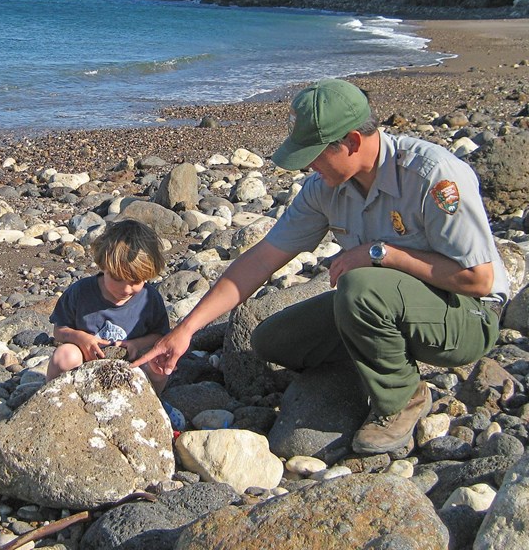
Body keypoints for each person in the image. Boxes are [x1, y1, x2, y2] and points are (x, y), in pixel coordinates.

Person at [133, 78, 509, 454]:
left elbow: (478, 279)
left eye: (314, 153)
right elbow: (263, 258)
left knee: (361, 286)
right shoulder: (325, 188)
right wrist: (185, 330)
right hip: (386, 303)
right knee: (273, 341)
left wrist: (381, 254)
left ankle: (403, 398)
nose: (308, 165)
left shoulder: (433, 176)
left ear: (353, 142)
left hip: (468, 315)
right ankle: (375, 358)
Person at [47, 219, 184, 428]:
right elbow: (59, 330)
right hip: (87, 368)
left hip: (133, 368)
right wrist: (80, 338)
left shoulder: (149, 299)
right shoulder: (81, 292)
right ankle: (54, 404)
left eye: (136, 282)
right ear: (103, 266)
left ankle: (151, 404)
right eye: (118, 279)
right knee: (64, 355)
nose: (126, 289)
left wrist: (137, 345)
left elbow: (160, 337)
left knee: (159, 360)